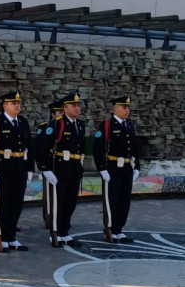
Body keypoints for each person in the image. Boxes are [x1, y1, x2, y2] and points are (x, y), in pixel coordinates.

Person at [0, 91, 34, 251]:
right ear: (5, 106)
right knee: (2, 204)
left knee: (16, 203)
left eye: (18, 103)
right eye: (13, 103)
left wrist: (30, 168)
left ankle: (11, 237)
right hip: (3, 168)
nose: (17, 105)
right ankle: (2, 236)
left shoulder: (23, 122)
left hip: (20, 167)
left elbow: (29, 146)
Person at [39, 91, 86, 248]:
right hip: (60, 168)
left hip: (75, 168)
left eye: (78, 105)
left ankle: (65, 232)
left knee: (70, 202)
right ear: (65, 108)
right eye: (74, 105)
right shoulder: (57, 124)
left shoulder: (79, 125)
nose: (77, 108)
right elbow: (43, 147)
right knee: (58, 202)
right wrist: (45, 168)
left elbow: (81, 147)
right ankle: (55, 232)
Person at [93, 95, 141, 243]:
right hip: (112, 168)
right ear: (115, 109)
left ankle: (119, 229)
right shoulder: (107, 125)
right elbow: (98, 148)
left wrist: (137, 167)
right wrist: (102, 168)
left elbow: (134, 148)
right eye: (123, 107)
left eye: (128, 108)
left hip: (126, 167)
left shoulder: (129, 126)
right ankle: (110, 228)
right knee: (111, 199)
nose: (127, 110)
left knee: (124, 200)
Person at [34, 99, 64, 230]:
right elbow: (40, 147)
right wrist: (43, 165)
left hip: (61, 164)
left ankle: (60, 217)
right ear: (53, 114)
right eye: (59, 112)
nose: (61, 114)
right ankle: (48, 216)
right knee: (49, 193)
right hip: (49, 162)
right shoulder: (45, 127)